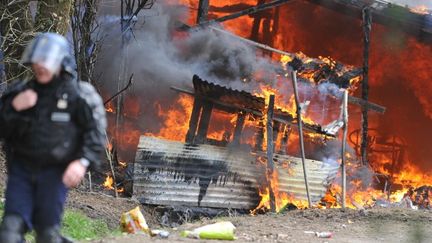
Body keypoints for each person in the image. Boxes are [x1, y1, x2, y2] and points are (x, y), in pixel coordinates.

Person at [0, 33, 107, 243]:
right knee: (9, 233)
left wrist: (81, 162)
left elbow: (95, 134)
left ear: (61, 62)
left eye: (47, 60)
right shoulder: (21, 93)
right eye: (38, 60)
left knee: (47, 235)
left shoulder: (79, 95)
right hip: (22, 170)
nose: (41, 65)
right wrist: (13, 108)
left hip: (54, 173)